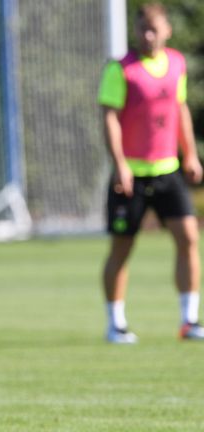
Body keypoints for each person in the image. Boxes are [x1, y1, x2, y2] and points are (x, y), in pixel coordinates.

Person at [98, 2, 204, 344]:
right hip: (130, 175)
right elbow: (110, 118)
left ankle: (189, 321)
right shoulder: (121, 69)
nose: (147, 35)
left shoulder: (176, 63)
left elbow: (179, 108)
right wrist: (121, 165)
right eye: (142, 28)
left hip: (167, 171)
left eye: (153, 29)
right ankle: (116, 324)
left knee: (189, 238)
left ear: (167, 31)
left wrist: (190, 154)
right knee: (122, 248)